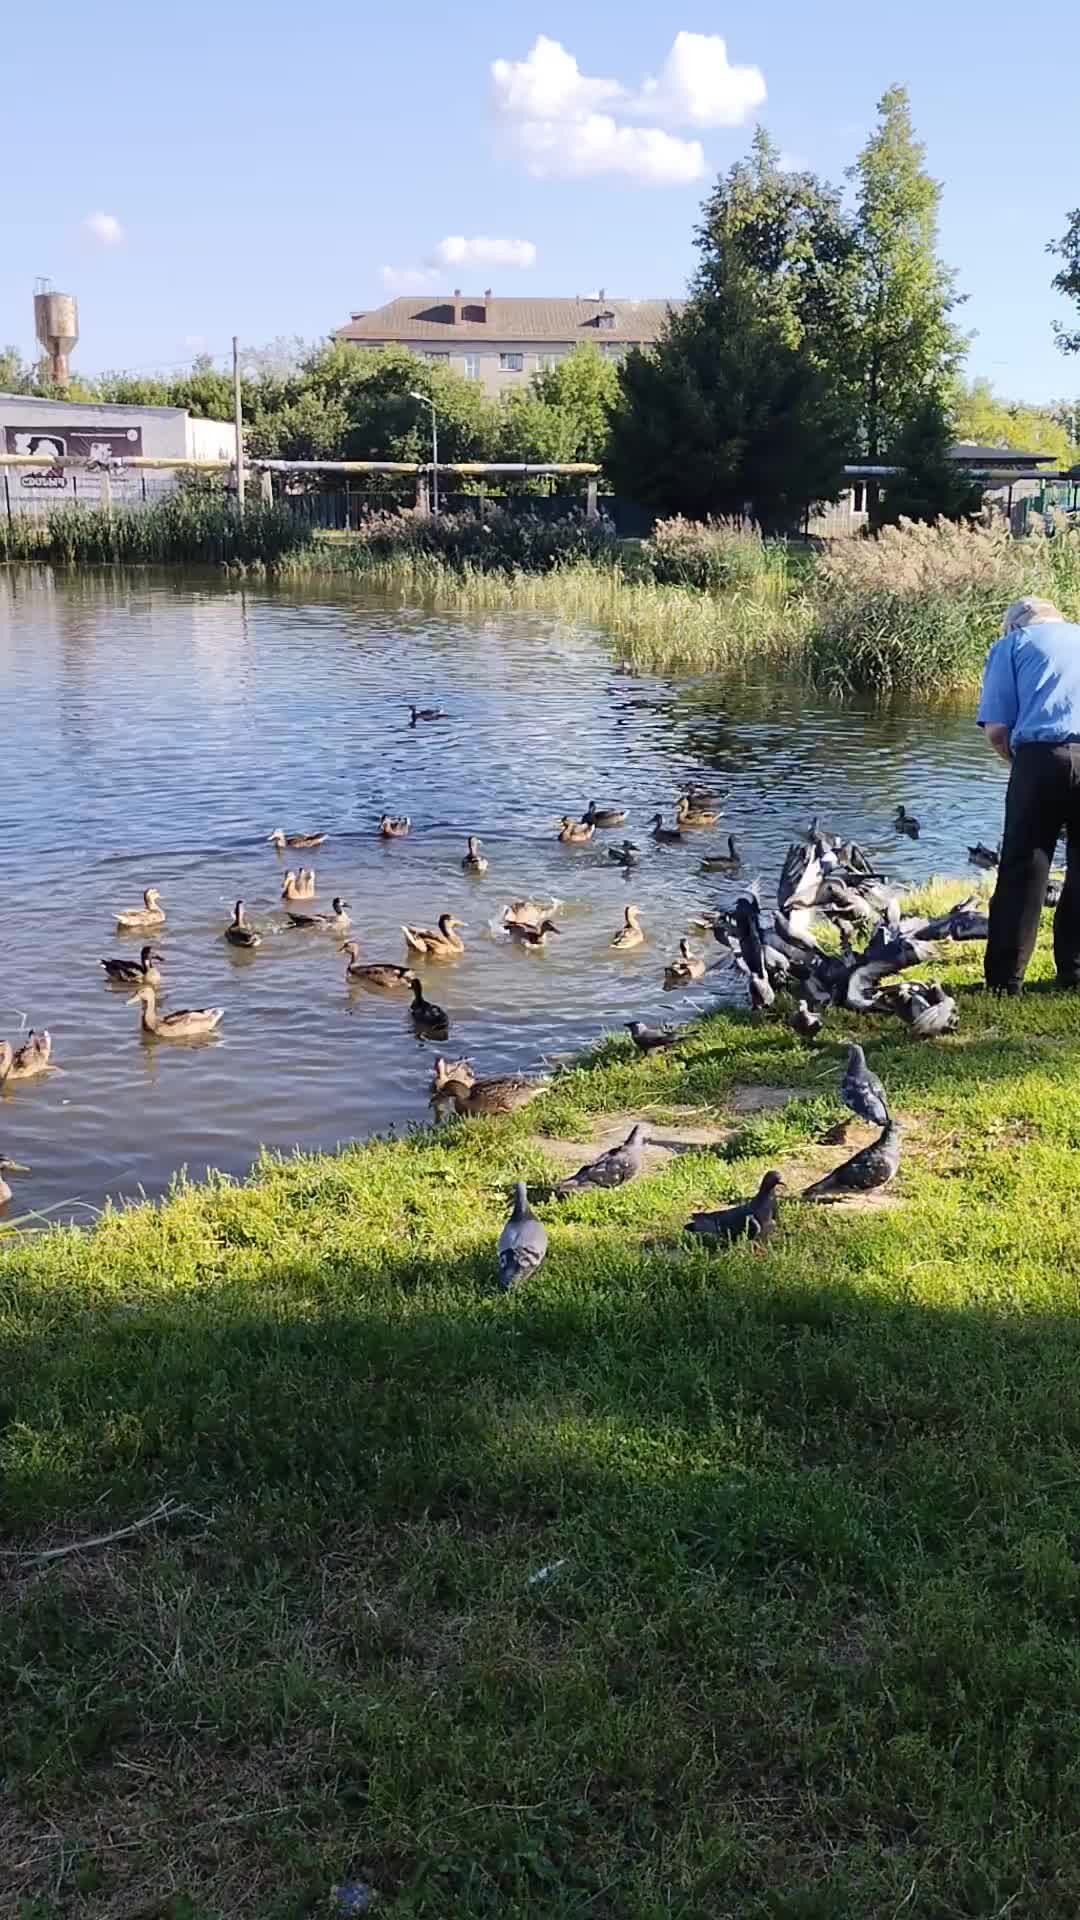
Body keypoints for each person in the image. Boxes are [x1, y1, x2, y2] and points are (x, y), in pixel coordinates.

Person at [978, 596, 1080, 991]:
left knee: (1025, 865)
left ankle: (1006, 980)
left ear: (1015, 626)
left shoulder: (1012, 645)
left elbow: (997, 730)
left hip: (1041, 757)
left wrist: (1023, 767)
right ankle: (1074, 970)